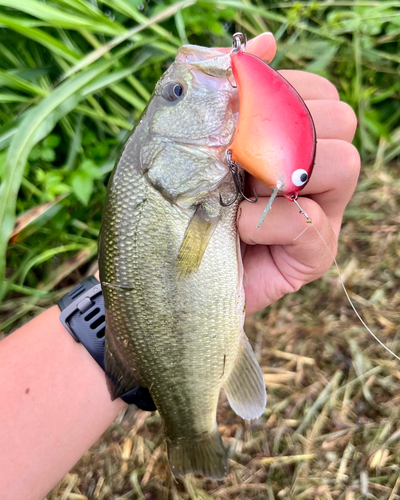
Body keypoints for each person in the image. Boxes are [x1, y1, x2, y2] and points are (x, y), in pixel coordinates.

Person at [0, 33, 359, 500]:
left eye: (173, 92)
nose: (187, 80)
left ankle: (191, 427)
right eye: (177, 93)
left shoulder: (170, 185)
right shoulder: (162, 185)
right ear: (159, 159)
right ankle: (192, 433)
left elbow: (159, 268)